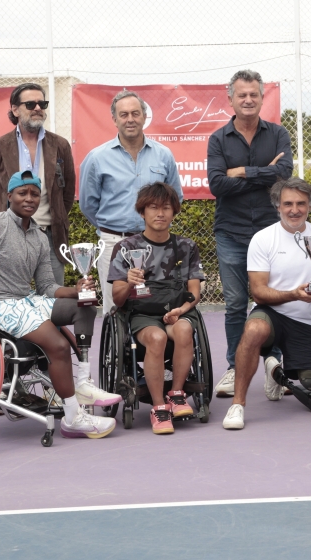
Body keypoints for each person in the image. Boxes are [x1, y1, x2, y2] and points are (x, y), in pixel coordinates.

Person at [0, 171, 119, 439]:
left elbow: (47, 287)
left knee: (84, 307)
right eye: (22, 193)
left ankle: (83, 383)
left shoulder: (38, 236)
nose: (29, 198)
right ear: (9, 196)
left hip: (26, 301)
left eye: (34, 194)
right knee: (58, 345)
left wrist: (77, 290)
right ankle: (73, 418)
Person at [222, 178, 311, 430]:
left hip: (305, 323)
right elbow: (258, 293)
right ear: (277, 206)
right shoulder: (262, 239)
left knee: (310, 385)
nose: (294, 209)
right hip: (271, 313)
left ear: (310, 205)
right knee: (254, 329)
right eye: (288, 203)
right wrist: (294, 294)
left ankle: (274, 371)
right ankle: (238, 404)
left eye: (301, 203)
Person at [207, 69, 293, 398]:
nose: (247, 100)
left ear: (261, 98)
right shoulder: (218, 139)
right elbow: (217, 184)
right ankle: (233, 367)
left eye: (253, 94)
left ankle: (275, 367)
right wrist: (263, 174)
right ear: (230, 99)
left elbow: (284, 174)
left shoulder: (278, 133)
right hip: (231, 232)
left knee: (274, 301)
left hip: (272, 234)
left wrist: (242, 171)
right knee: (235, 305)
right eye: (241, 95)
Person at [107, 183, 205, 435]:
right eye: (153, 207)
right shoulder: (125, 248)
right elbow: (117, 299)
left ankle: (177, 394)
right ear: (142, 212)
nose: (160, 213)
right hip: (142, 315)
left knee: (183, 330)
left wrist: (182, 309)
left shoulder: (187, 246)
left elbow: (195, 290)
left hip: (177, 312)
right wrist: (129, 282)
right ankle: (159, 407)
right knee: (157, 337)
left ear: (174, 212)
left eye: (166, 208)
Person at [80, 90, 183, 315]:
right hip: (113, 244)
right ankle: (115, 351)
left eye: (135, 113)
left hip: (155, 245)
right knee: (114, 309)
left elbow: (175, 198)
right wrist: (110, 229)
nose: (130, 119)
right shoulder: (97, 158)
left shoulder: (163, 155)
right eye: (124, 114)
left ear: (144, 117)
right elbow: (88, 204)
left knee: (156, 307)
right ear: (114, 119)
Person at [0, 83, 75, 285]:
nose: (38, 108)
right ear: (15, 109)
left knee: (53, 303)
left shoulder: (60, 145)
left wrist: (51, 219)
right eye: (30, 104)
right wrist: (3, 228)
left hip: (49, 237)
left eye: (42, 103)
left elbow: (67, 195)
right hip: (7, 240)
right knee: (8, 299)